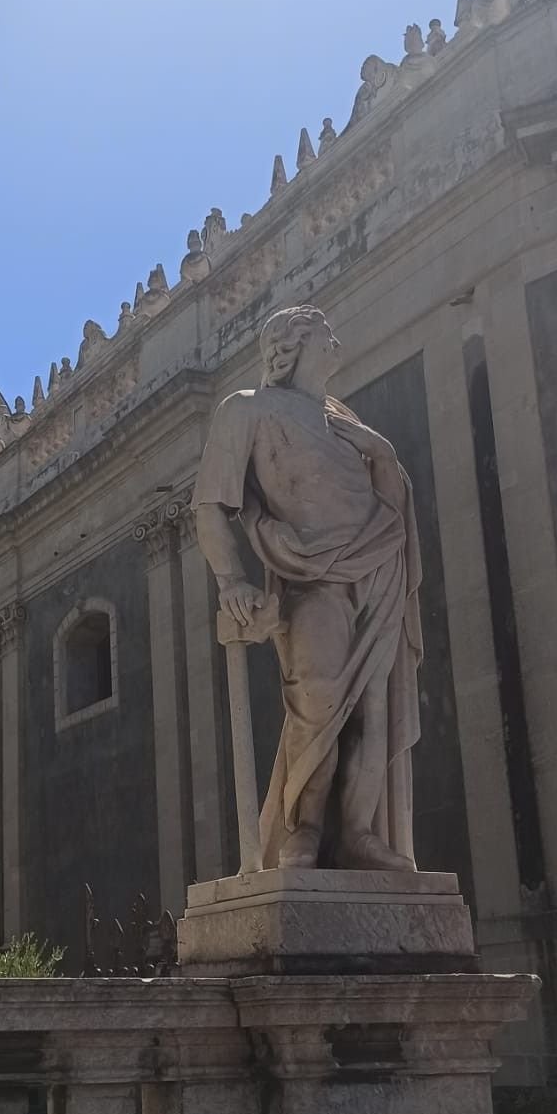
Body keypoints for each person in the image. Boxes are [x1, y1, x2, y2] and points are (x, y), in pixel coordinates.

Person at [193, 306, 423, 871]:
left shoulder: (344, 419)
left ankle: (360, 833)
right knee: (316, 700)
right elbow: (209, 506)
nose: (337, 343)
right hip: (308, 573)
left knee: (374, 707)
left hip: (378, 564)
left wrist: (382, 452)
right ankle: (304, 828)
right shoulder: (248, 410)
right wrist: (231, 581)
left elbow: (390, 491)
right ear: (291, 346)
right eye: (326, 335)